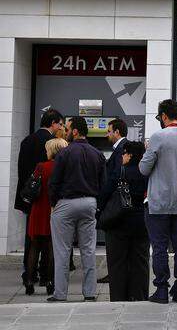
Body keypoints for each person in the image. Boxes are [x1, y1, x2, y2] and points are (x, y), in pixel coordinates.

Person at [140, 99, 177, 304]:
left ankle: (162, 289)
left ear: (164, 116)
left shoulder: (158, 137)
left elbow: (143, 169)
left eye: (159, 117)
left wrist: (147, 150)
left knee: (159, 247)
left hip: (160, 201)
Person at [48, 116, 106, 302]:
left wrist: (53, 203)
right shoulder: (97, 153)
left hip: (66, 203)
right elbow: (103, 184)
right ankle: (89, 293)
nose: (64, 130)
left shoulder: (65, 153)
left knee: (62, 251)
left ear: (74, 131)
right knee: (88, 250)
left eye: (67, 128)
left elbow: (54, 182)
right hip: (89, 203)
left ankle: (60, 294)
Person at [15, 109, 64, 287]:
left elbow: (21, 171)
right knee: (49, 240)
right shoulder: (52, 143)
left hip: (31, 197)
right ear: (53, 123)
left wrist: (25, 196)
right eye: (60, 124)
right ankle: (46, 275)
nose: (61, 127)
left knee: (32, 238)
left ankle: (29, 273)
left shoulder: (27, 140)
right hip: (48, 199)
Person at [104, 141, 150, 301]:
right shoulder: (147, 173)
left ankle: (118, 296)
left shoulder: (119, 172)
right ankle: (140, 295)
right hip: (141, 222)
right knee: (140, 261)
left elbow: (105, 193)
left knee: (117, 262)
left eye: (124, 153)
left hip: (118, 222)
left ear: (129, 155)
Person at [24, 138, 68, 296]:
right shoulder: (63, 167)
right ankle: (50, 281)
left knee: (34, 247)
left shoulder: (41, 166)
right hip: (54, 209)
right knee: (51, 248)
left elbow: (33, 186)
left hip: (38, 210)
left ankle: (29, 281)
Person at [97, 118, 129, 285]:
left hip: (116, 202)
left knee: (115, 241)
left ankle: (115, 274)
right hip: (121, 202)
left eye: (109, 131)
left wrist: (101, 202)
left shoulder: (121, 149)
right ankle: (116, 272)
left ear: (117, 132)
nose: (107, 134)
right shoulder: (125, 147)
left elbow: (114, 177)